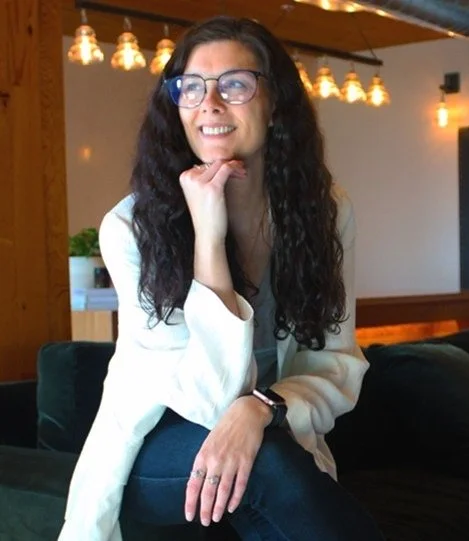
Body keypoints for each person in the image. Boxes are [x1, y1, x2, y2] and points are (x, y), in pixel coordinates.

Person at [58, 15, 385, 541]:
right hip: (155, 440)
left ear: (274, 102)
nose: (209, 103)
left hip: (264, 428)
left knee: (267, 462)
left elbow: (335, 363)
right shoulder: (131, 228)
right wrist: (208, 241)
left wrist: (262, 408)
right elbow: (210, 401)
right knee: (267, 462)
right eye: (191, 87)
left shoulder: (323, 213)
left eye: (234, 84)